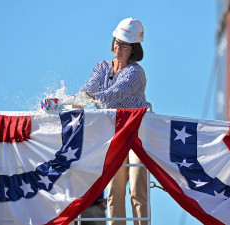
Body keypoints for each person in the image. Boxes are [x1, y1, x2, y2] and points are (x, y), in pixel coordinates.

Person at [78, 17, 151, 225]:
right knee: (114, 190)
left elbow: (115, 93)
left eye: (124, 45)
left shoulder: (136, 73)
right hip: (115, 134)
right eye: (117, 43)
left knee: (137, 188)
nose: (119, 48)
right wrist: (75, 100)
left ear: (133, 49)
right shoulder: (101, 68)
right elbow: (89, 88)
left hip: (138, 134)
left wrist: (86, 99)